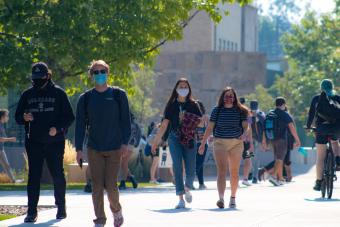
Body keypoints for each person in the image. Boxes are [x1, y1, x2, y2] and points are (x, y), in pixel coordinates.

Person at [15, 62, 75, 223]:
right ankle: (32, 212)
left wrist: (57, 128)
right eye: (34, 78)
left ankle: (61, 208)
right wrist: (24, 118)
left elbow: (69, 117)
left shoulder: (59, 94)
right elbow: (17, 117)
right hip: (33, 141)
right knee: (33, 176)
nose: (37, 81)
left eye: (40, 78)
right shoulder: (27, 94)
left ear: (48, 76)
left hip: (55, 142)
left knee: (57, 174)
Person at [75, 60, 131, 227]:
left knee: (111, 186)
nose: (99, 75)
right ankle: (100, 219)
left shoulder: (118, 95)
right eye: (96, 72)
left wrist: (125, 143)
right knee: (97, 186)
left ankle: (116, 210)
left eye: (102, 71)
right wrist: (78, 149)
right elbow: (79, 126)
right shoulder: (85, 98)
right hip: (94, 148)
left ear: (107, 73)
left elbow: (125, 121)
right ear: (92, 76)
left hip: (114, 148)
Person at [152, 78, 202, 209]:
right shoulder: (171, 105)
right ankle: (180, 198)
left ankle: (187, 188)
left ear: (189, 89)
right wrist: (155, 142)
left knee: (191, 168)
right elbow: (164, 125)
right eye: (181, 86)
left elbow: (201, 123)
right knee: (177, 166)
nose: (183, 88)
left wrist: (189, 118)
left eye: (186, 86)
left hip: (190, 138)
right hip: (174, 137)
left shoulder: (193, 104)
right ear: (176, 88)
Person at [199, 86, 249, 209]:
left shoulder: (241, 110)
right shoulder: (217, 110)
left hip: (236, 143)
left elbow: (246, 126)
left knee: (234, 172)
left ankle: (232, 198)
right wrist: (202, 143)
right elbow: (210, 128)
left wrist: (244, 134)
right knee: (221, 171)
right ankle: (221, 198)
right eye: (226, 96)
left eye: (231, 96)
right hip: (220, 142)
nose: (229, 98)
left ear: (234, 97)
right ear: (222, 97)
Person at [306, 79, 340, 191]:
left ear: (321, 88)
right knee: (335, 141)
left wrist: (308, 126)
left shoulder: (316, 99)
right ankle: (338, 159)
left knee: (320, 157)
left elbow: (311, 114)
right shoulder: (338, 98)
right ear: (332, 87)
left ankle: (319, 182)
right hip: (336, 128)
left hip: (321, 129)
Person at [262, 97, 301, 186]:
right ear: (283, 104)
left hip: (272, 139)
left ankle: (279, 179)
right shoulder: (284, 114)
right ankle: (273, 176)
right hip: (281, 139)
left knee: (278, 159)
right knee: (280, 159)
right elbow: (291, 127)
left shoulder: (270, 113)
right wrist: (297, 139)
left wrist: (264, 141)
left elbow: (264, 128)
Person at [119, 113, 140, 190]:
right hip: (131, 146)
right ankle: (131, 178)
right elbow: (139, 134)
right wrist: (136, 144)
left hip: (124, 145)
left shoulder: (123, 123)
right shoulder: (135, 125)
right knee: (123, 163)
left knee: (123, 163)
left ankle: (123, 182)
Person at [239, 98, 254, 187]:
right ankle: (245, 179)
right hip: (246, 141)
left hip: (234, 139)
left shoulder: (233, 111)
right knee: (248, 159)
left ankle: (234, 179)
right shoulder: (247, 111)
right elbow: (250, 128)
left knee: (233, 160)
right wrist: (251, 142)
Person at [0, 109, 17, 183]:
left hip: (1, 149)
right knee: (6, 165)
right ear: (2, 116)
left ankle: (13, 180)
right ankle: (13, 180)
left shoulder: (1, 125)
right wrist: (10, 139)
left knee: (6, 165)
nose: (8, 117)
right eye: (7, 116)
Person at [195, 101, 209, 190]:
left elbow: (208, 128)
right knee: (196, 163)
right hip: (193, 143)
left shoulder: (205, 117)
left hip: (203, 143)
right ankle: (191, 181)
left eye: (198, 107)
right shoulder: (191, 117)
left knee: (200, 163)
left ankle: (201, 183)